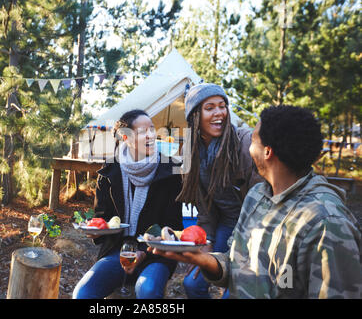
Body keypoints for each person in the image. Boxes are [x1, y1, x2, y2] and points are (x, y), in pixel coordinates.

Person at [151, 105, 362, 298]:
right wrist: (204, 260)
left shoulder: (326, 224)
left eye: (252, 140)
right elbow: (237, 263)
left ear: (268, 152)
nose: (248, 148)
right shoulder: (256, 196)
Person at [72, 109, 183, 299]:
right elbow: (102, 217)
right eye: (142, 132)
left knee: (147, 290)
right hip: (118, 251)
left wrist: (144, 252)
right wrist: (95, 230)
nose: (150, 135)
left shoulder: (169, 171)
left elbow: (173, 225)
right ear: (126, 137)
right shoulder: (109, 171)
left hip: (156, 254)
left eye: (152, 129)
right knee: (83, 293)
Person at [176, 83, 262, 298]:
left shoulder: (245, 143)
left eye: (222, 106)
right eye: (210, 108)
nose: (219, 113)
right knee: (193, 283)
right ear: (195, 115)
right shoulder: (190, 152)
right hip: (225, 224)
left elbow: (263, 202)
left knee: (233, 292)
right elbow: (204, 205)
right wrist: (207, 242)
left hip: (254, 228)